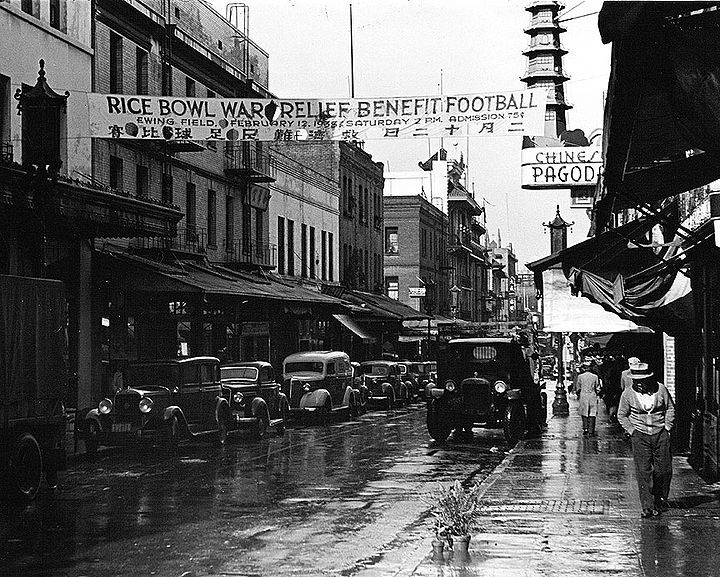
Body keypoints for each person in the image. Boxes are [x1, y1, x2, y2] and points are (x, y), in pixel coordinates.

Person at [617, 362, 675, 518]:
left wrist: (667, 427)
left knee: (664, 470)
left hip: (660, 433)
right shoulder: (628, 394)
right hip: (640, 435)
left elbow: (670, 408)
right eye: (636, 381)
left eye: (642, 380)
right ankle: (648, 506)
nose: (639, 384)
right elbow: (621, 415)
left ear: (649, 378)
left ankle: (659, 499)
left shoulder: (660, 389)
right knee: (643, 471)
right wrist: (632, 431)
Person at [576, 361, 601, 437]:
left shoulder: (580, 376)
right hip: (592, 395)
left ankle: (585, 428)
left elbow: (578, 387)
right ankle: (591, 430)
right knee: (592, 413)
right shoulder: (595, 376)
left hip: (584, 395)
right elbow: (598, 388)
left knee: (584, 412)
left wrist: (578, 393)